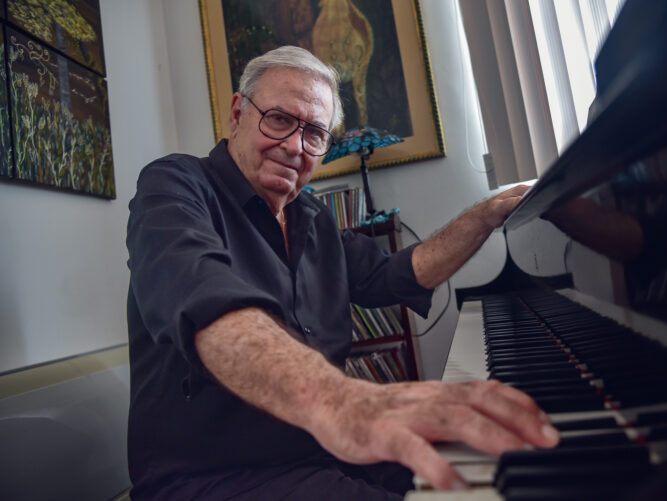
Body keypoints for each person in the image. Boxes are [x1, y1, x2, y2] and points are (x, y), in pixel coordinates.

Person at [126, 46, 559, 500]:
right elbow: (202, 299)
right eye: (278, 119)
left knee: (486, 467)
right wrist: (340, 400)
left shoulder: (313, 216)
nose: (295, 146)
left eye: (314, 133)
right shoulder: (174, 185)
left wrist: (484, 216)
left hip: (322, 456)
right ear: (238, 113)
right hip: (211, 478)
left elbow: (396, 275)